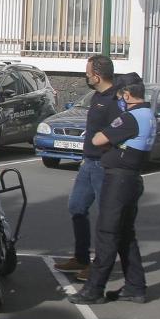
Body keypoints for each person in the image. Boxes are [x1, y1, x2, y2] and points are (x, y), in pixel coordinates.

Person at [69, 73, 153, 305]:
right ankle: (135, 287)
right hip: (130, 179)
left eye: (120, 96)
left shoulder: (131, 118)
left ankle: (93, 290)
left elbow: (98, 140)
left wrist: (106, 138)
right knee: (125, 235)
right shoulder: (148, 114)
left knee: (107, 234)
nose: (119, 101)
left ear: (127, 95)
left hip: (119, 181)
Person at [55, 54, 117, 281]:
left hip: (103, 164)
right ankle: (81, 257)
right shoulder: (97, 97)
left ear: (97, 76)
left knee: (104, 217)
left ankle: (100, 264)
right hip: (88, 162)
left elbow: (118, 133)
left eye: (88, 73)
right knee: (77, 207)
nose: (86, 76)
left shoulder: (115, 101)